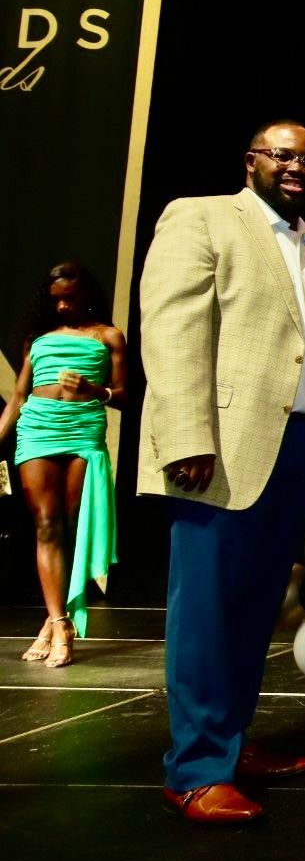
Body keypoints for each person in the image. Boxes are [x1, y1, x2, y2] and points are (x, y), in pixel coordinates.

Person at [139, 120, 305, 823]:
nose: (296, 167)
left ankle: (230, 741)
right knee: (206, 609)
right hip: (220, 446)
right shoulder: (199, 217)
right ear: (250, 159)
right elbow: (171, 330)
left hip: (295, 445)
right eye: (283, 155)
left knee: (256, 609)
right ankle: (195, 770)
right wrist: (186, 433)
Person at [0, 263, 124, 666]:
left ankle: (53, 620)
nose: (64, 305)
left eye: (70, 296)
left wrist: (95, 389)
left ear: (87, 293)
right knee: (46, 525)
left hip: (83, 429)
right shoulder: (36, 340)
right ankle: (60, 621)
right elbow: (19, 397)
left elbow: (125, 394)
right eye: (56, 299)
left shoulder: (108, 336)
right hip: (37, 428)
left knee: (71, 527)